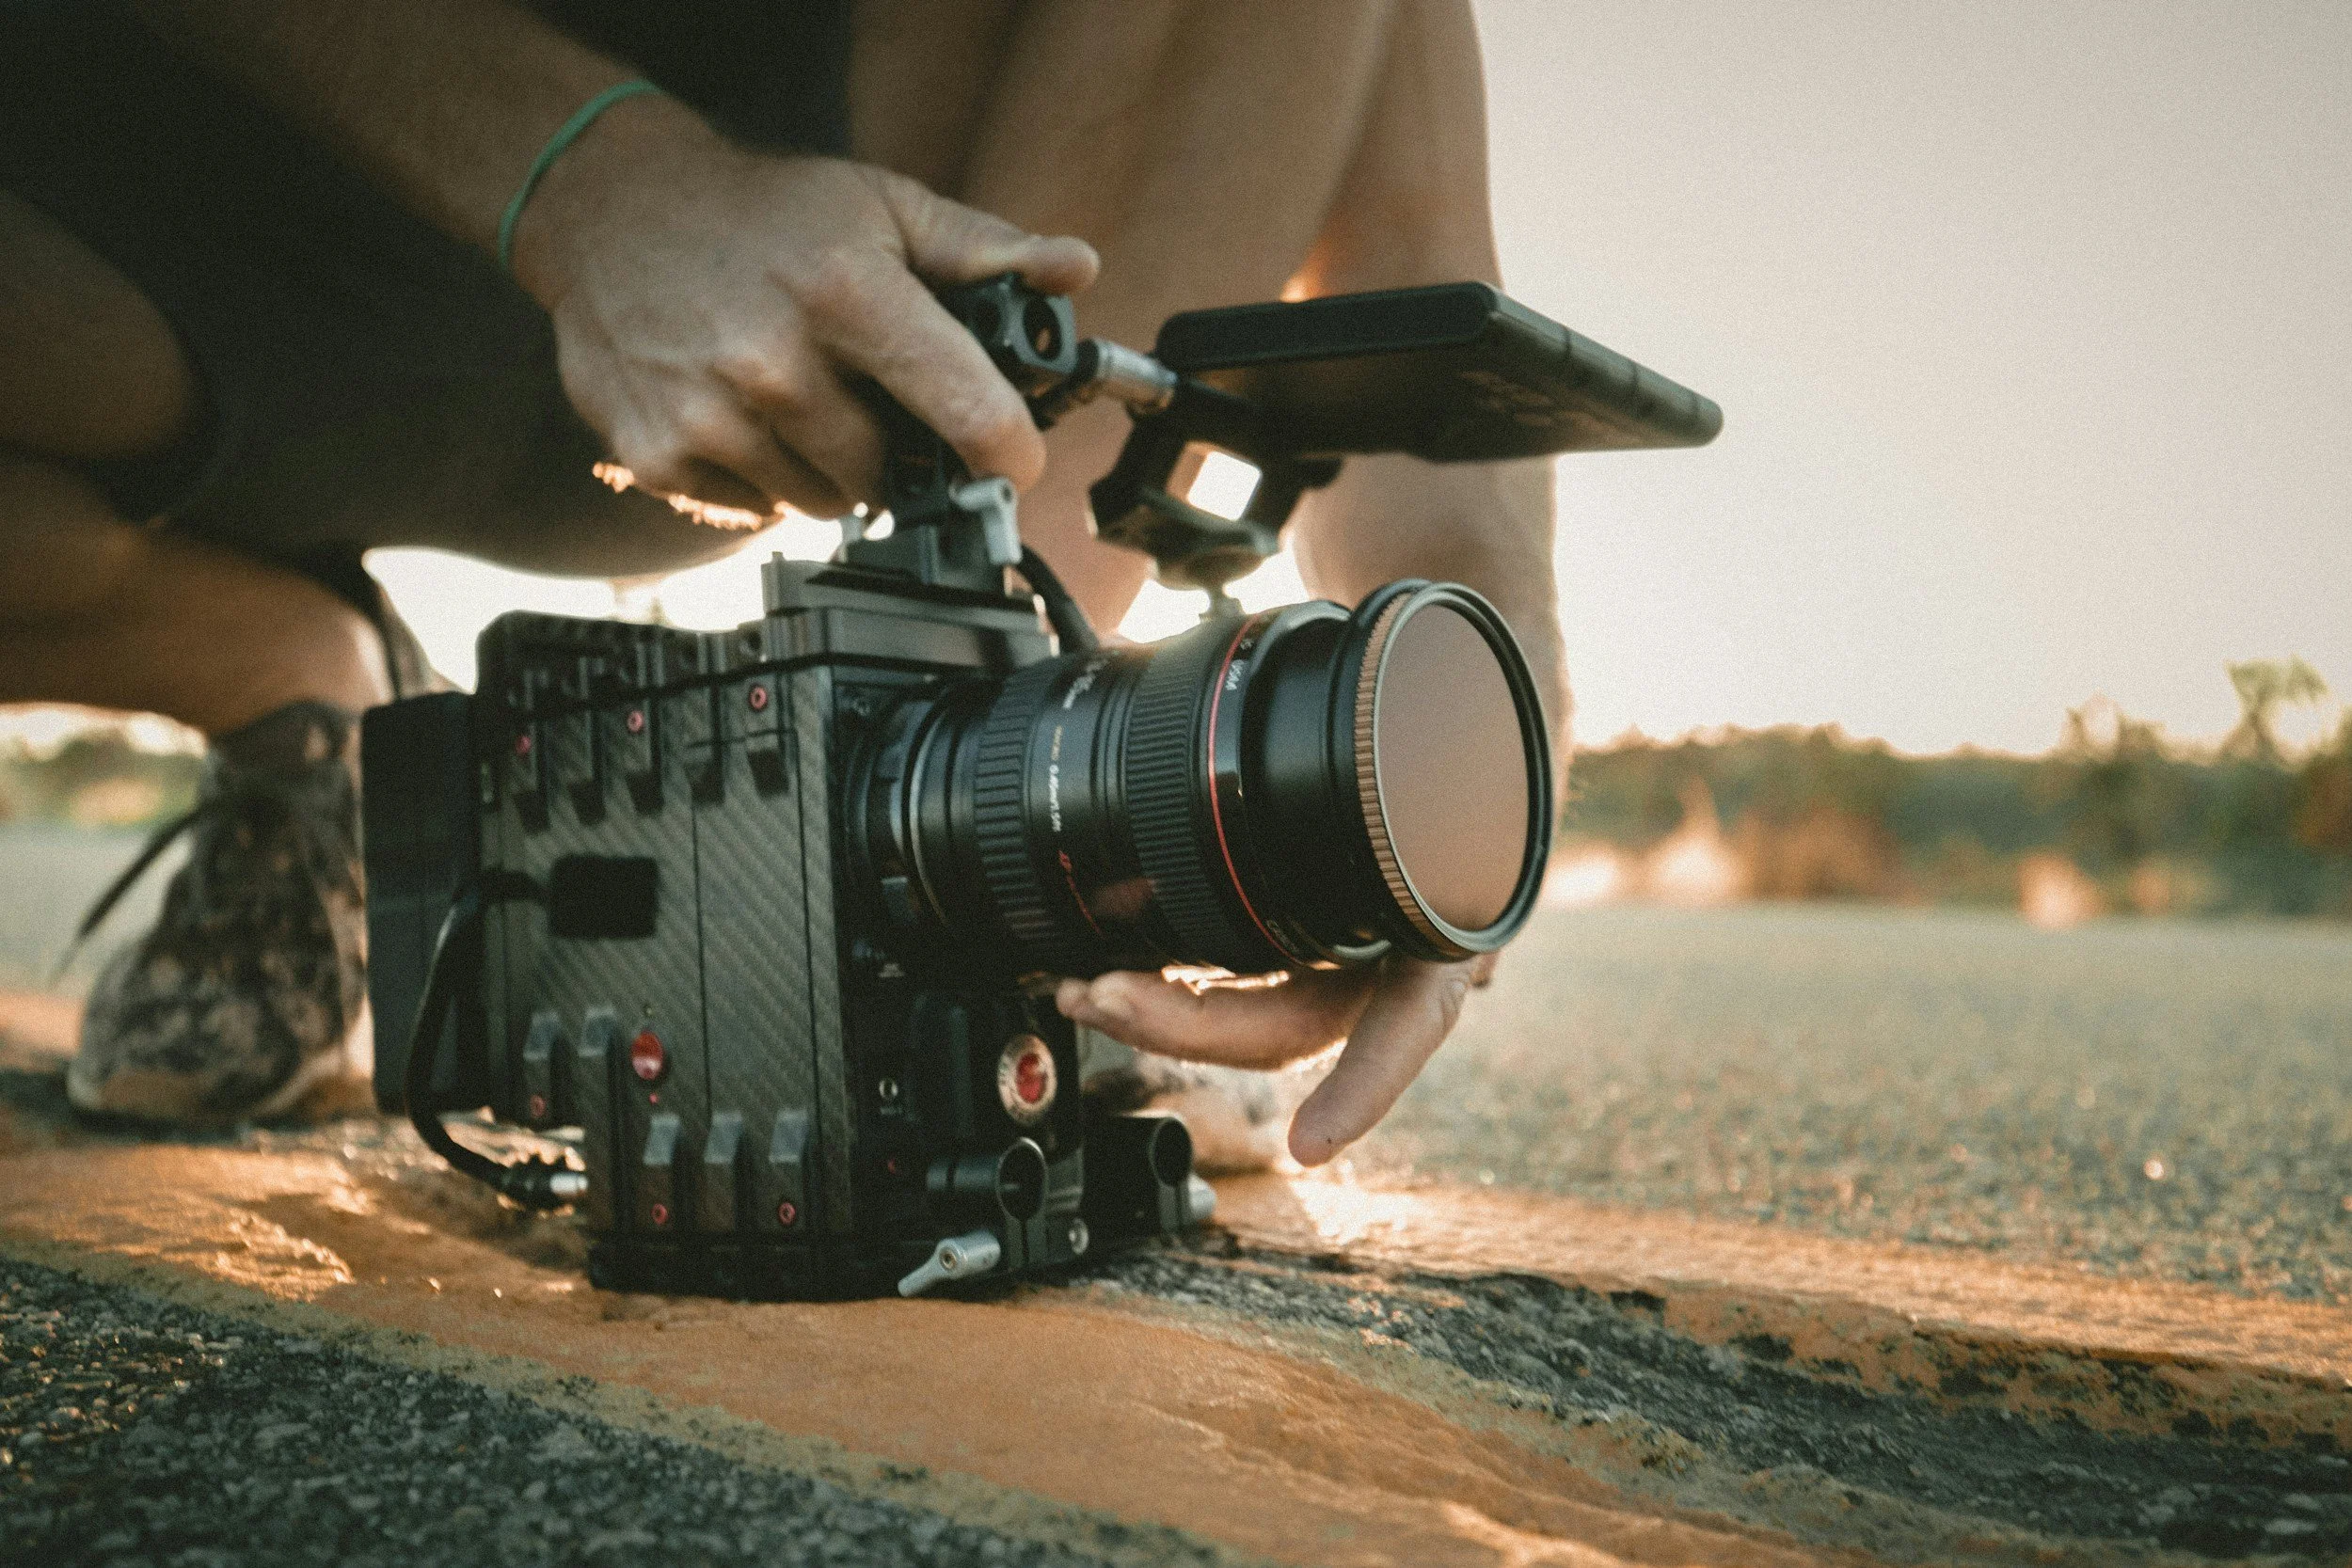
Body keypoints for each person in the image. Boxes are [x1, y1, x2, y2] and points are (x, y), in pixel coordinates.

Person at [0, 0, 1565, 1166]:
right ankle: (284, 677)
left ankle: (1001, 896)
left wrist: (1456, 742)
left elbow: (1407, 283)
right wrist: (593, 180)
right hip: (131, 253)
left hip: (818, 290)